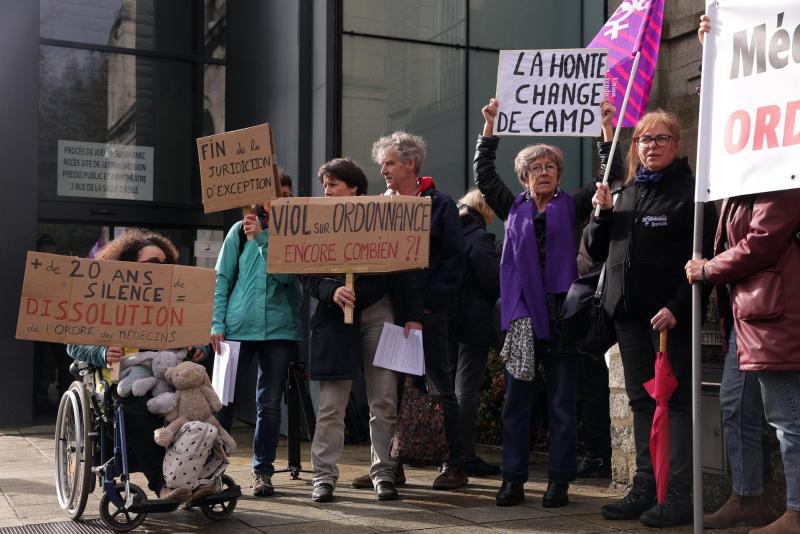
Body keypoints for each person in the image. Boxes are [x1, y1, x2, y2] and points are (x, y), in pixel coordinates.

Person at [685, 15, 795, 532]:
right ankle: (748, 498)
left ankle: (795, 512)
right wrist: (716, 48)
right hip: (745, 316)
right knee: (735, 407)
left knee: (787, 419)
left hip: (776, 313)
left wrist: (708, 268)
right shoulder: (740, 174)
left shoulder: (783, 171)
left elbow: (763, 241)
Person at [474, 97, 611, 508]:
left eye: (551, 166)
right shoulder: (511, 207)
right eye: (536, 168)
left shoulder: (574, 206)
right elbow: (484, 173)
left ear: (560, 174)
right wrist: (490, 126)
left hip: (563, 315)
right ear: (524, 177)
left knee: (562, 404)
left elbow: (609, 175)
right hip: (522, 318)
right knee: (517, 402)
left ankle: (559, 482)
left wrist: (606, 128)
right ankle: (513, 479)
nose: (545, 172)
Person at [586, 104, 717, 527]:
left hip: (669, 320)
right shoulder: (624, 192)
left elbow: (706, 259)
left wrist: (678, 309)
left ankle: (678, 494)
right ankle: (646, 486)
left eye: (661, 139)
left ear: (677, 146)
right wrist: (601, 213)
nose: (652, 146)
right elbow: (594, 249)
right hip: (630, 318)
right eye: (644, 139)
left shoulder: (692, 193)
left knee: (676, 404)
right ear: (635, 147)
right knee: (642, 401)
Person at [301, 157, 424, 503]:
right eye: (325, 184)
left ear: (354, 187)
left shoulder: (383, 216)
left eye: (333, 184)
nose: (326, 190)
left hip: (378, 314)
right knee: (330, 405)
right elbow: (303, 273)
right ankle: (323, 477)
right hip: (334, 320)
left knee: (383, 399)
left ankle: (383, 473)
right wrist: (331, 290)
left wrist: (413, 317)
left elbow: (406, 268)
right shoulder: (314, 222)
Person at [66, 229, 197, 502]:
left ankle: (196, 475)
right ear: (128, 266)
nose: (159, 270)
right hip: (122, 379)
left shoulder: (174, 301)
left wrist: (199, 348)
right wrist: (102, 352)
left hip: (167, 376)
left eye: (165, 265)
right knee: (137, 405)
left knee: (196, 400)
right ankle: (161, 484)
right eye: (152, 264)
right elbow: (73, 345)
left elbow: (197, 336)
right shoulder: (104, 299)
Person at [371, 131, 468, 490]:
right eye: (383, 163)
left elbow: (456, 260)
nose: (383, 170)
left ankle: (455, 463)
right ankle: (389, 466)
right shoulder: (383, 205)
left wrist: (431, 302)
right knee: (391, 389)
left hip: (429, 313)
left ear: (410, 164)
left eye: (390, 163)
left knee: (440, 385)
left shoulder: (440, 204)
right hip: (391, 311)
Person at [210, 183, 303, 498]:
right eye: (274, 192)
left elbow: (289, 277)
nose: (279, 198)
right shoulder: (238, 231)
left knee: (269, 403)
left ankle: (263, 471)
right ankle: (210, 471)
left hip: (279, 329)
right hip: (237, 327)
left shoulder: (292, 230)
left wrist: (263, 239)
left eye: (285, 193)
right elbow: (222, 278)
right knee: (222, 401)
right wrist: (216, 322)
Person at [447, 188, 501, 476]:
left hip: (450, 322)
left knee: (453, 389)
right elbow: (491, 281)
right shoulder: (479, 237)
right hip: (473, 323)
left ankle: (451, 451)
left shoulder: (454, 233)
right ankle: (464, 455)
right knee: (465, 390)